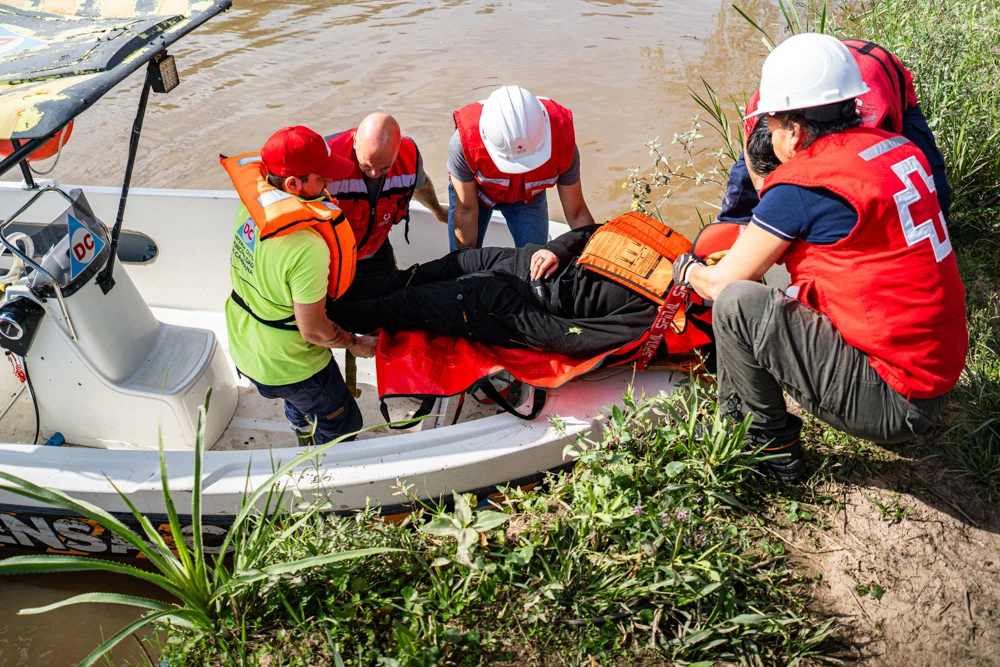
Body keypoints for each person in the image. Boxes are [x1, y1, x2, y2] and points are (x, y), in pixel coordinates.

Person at [673, 33, 968, 481]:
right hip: (936, 372)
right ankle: (748, 430)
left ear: (793, 130)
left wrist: (688, 269)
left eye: (771, 126)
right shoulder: (898, 148)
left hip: (896, 402)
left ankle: (765, 447)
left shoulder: (804, 182)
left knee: (737, 302)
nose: (769, 137)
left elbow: (721, 284)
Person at [332, 218, 691, 359]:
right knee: (409, 277)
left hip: (509, 302)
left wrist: (515, 315)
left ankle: (312, 317)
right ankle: (320, 296)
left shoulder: (660, 317)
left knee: (402, 304)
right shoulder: (675, 250)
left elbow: (572, 337)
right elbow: (595, 230)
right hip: (514, 260)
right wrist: (557, 248)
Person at [221, 126, 378, 445]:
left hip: (245, 346)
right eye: (321, 178)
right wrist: (355, 344)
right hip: (291, 365)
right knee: (343, 422)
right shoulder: (308, 247)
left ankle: (302, 432)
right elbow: (314, 331)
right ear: (293, 184)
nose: (329, 183)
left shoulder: (253, 207)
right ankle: (328, 479)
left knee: (300, 404)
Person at [719, 37, 952, 224]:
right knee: (742, 196)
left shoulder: (864, 130)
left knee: (931, 187)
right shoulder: (763, 107)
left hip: (875, 72)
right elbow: (754, 164)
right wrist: (766, 199)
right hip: (822, 69)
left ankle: (930, 242)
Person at [448, 85, 596, 250]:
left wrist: (596, 254)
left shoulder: (563, 143)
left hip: (528, 198)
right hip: (476, 195)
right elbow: (467, 210)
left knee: (537, 262)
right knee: (462, 260)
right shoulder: (463, 144)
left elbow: (576, 212)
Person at [324, 112, 448, 305]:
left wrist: (437, 211)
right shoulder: (328, 156)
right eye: (366, 166)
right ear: (355, 141)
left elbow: (420, 185)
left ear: (397, 149)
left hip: (376, 249)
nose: (374, 174)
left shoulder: (409, 156)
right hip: (333, 258)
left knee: (391, 304)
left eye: (384, 168)